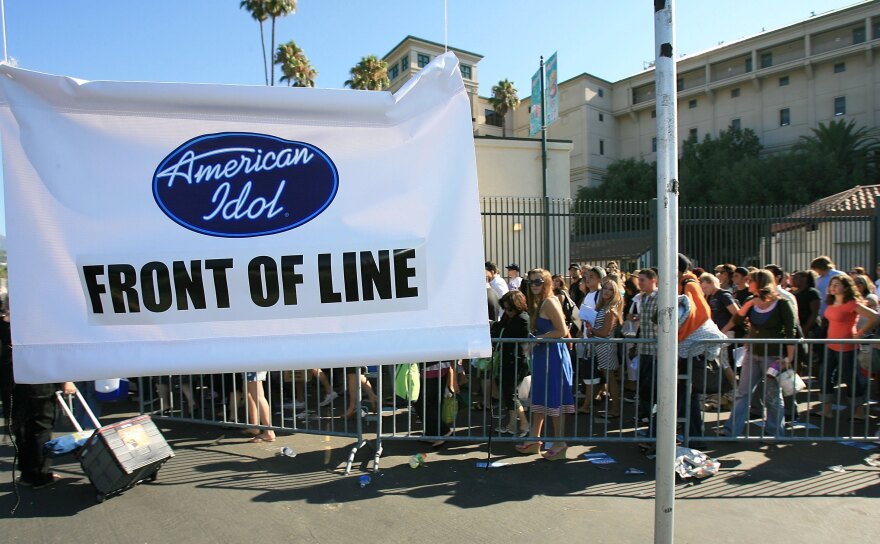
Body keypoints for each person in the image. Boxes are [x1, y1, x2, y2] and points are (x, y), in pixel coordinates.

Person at [722, 270, 797, 438]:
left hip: (773, 356)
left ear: (761, 283)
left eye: (751, 280)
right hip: (752, 353)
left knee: (772, 395)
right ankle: (731, 430)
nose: (748, 283)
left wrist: (789, 357)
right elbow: (737, 320)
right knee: (743, 393)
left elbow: (790, 330)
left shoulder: (782, 303)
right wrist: (748, 306)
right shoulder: (750, 301)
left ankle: (774, 431)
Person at [516, 268, 574, 460]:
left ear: (546, 282)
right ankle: (534, 438)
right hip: (543, 356)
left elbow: (562, 330)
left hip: (553, 357)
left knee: (554, 400)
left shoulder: (549, 301)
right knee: (539, 397)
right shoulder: (540, 302)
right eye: (531, 281)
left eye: (538, 281)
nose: (534, 285)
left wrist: (538, 339)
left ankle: (559, 442)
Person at [812, 274, 877, 420]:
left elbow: (875, 317)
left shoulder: (852, 304)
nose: (832, 287)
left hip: (847, 347)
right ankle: (827, 409)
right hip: (830, 345)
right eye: (831, 285)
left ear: (846, 287)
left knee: (851, 379)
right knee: (825, 376)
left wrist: (860, 333)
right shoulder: (831, 302)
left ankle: (859, 412)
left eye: (836, 285)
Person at [585, 276, 624, 423]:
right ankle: (613, 407)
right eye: (605, 288)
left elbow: (605, 332)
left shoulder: (610, 310)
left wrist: (591, 330)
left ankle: (615, 409)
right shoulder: (602, 307)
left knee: (611, 379)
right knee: (607, 378)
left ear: (615, 292)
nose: (607, 291)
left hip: (606, 347)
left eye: (610, 289)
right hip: (601, 346)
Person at [494, 290, 531, 436]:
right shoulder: (510, 316)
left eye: (509, 308)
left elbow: (505, 332)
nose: (507, 312)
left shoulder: (522, 318)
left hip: (516, 360)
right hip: (506, 358)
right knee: (508, 393)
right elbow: (499, 329)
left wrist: (498, 328)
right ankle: (512, 425)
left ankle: (524, 423)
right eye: (505, 308)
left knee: (511, 394)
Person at [811, 255, 844, 325]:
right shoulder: (819, 279)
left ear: (820, 267)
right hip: (823, 312)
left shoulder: (838, 275)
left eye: (816, 269)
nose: (815, 272)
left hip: (837, 311)